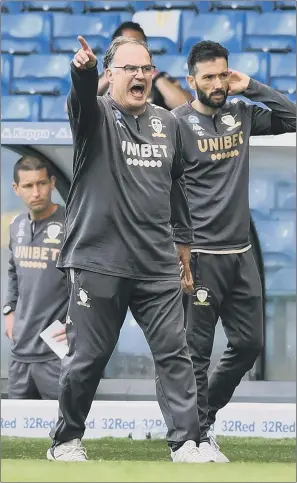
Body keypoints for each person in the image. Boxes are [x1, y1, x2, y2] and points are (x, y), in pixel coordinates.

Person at [46, 35, 216, 464]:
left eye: (146, 67)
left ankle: (185, 443)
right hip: (98, 260)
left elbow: (177, 186)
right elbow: (82, 94)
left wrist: (183, 243)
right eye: (129, 68)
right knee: (88, 357)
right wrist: (81, 71)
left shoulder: (169, 122)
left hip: (156, 263)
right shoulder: (92, 115)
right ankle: (65, 441)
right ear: (110, 75)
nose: (140, 75)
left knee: (175, 353)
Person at [173, 40, 296, 462]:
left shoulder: (239, 114)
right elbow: (164, 192)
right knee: (196, 354)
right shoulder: (175, 124)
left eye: (222, 74)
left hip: (242, 254)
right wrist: (177, 248)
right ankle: (193, 436)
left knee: (248, 344)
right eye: (207, 76)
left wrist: (253, 86)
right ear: (191, 81)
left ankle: (203, 419)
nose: (217, 83)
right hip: (200, 257)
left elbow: (292, 118)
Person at [3, 155, 69, 399]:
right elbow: (13, 272)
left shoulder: (71, 225)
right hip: (20, 352)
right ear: (16, 189)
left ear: (52, 183)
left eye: (41, 183)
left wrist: (77, 324)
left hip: (56, 353)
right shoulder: (17, 225)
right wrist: (9, 310)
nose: (37, 192)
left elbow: (88, 281)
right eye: (29, 186)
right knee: (15, 435)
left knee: (63, 430)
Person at [97, 21, 193, 109]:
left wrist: (153, 74)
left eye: (139, 45)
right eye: (128, 45)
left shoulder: (160, 78)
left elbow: (188, 109)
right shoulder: (104, 78)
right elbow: (84, 100)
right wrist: (114, 69)